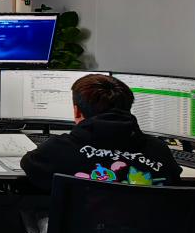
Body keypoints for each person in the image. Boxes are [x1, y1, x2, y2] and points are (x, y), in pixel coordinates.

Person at [21, 73, 181, 192]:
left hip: (82, 228)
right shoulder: (158, 149)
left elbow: (29, 165)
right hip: (147, 228)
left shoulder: (58, 148)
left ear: (77, 111)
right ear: (128, 108)